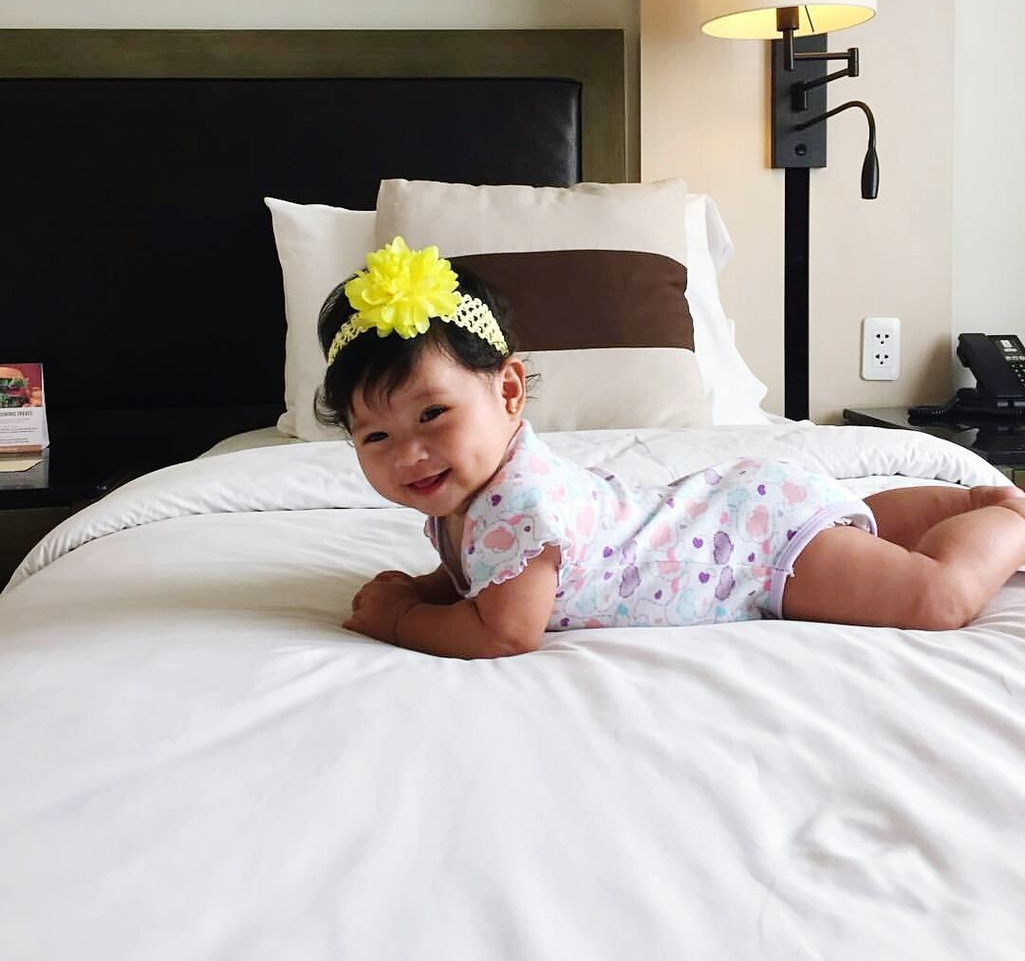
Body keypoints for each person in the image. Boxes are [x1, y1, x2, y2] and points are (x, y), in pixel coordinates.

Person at [317, 237, 1025, 660]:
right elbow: (486, 573)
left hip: (756, 556)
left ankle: (1007, 522)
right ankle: (960, 502)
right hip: (741, 509)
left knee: (934, 598)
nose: (408, 455)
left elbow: (504, 632)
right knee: (844, 525)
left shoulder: (518, 503)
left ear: (507, 393)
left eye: (432, 415)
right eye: (375, 435)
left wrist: (405, 619)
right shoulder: (475, 493)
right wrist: (428, 584)